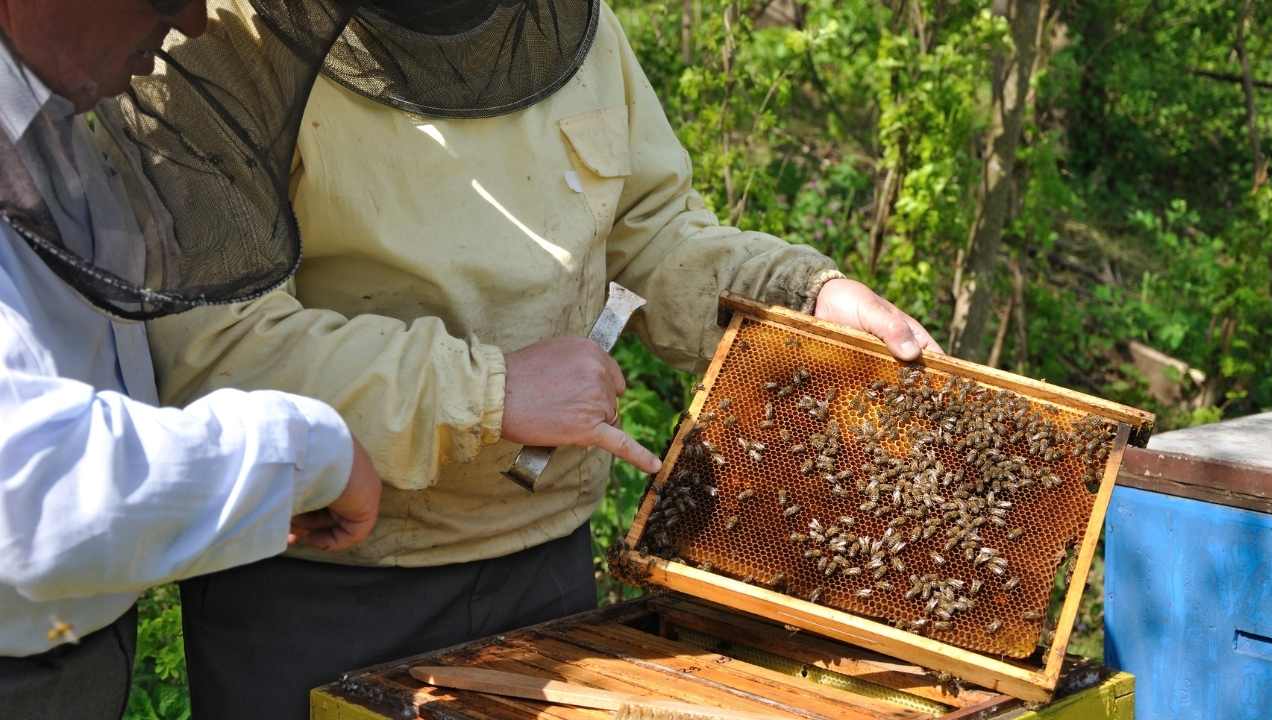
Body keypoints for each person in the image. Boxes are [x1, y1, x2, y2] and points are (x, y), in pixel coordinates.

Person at [141, 1, 945, 717]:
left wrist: (801, 294)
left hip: (544, 567)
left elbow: (654, 230)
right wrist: (488, 392)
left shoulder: (573, 29)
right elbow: (218, 348)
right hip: (320, 573)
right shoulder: (213, 44)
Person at [0, 2, 385, 718]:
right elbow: (32, 496)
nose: (193, 21)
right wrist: (307, 451)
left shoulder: (50, 120)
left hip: (80, 658)